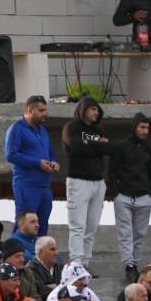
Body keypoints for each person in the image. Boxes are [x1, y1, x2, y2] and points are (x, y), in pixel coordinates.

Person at [109, 113, 151, 283]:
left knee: (140, 234)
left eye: (147, 128)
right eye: (142, 127)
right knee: (125, 233)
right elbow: (112, 170)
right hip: (124, 196)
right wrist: (115, 192)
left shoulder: (149, 149)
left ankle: (135, 264)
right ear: (134, 127)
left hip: (143, 196)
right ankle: (129, 265)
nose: (145, 131)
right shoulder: (121, 147)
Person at [62, 95, 110, 267]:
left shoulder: (100, 131)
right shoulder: (71, 127)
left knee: (91, 228)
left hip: (98, 182)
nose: (96, 113)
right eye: (93, 109)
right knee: (77, 227)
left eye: (98, 110)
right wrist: (97, 146)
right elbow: (75, 145)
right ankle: (76, 265)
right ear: (84, 109)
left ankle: (86, 264)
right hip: (78, 181)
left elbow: (108, 148)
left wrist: (89, 144)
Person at [4, 96, 59, 238]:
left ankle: (37, 259)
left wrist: (54, 162)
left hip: (44, 186)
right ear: (30, 110)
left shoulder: (43, 130)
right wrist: (38, 163)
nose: (45, 114)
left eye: (45, 110)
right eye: (41, 110)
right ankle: (15, 257)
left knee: (41, 226)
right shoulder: (17, 128)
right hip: (26, 185)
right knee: (24, 226)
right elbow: (11, 155)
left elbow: (50, 153)